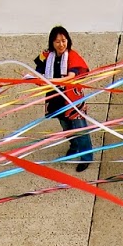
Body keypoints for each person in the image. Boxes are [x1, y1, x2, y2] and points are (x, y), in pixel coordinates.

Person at [35, 26, 93, 173]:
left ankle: (86, 157)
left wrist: (49, 81)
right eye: (57, 42)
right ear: (52, 43)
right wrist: (32, 78)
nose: (61, 44)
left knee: (80, 128)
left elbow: (70, 77)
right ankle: (74, 146)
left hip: (73, 99)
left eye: (63, 40)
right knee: (66, 127)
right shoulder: (47, 56)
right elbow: (38, 71)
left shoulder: (72, 56)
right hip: (56, 98)